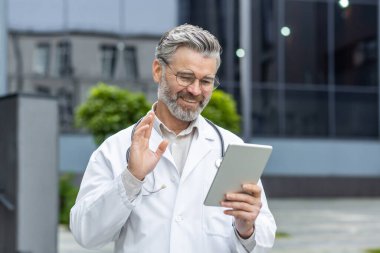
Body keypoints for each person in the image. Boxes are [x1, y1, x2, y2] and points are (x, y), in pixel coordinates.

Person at [70, 24, 276, 253]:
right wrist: (131, 179)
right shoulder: (116, 148)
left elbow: (264, 240)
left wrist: (247, 228)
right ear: (158, 70)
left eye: (206, 81)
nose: (196, 90)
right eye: (186, 77)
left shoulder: (231, 147)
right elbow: (85, 234)